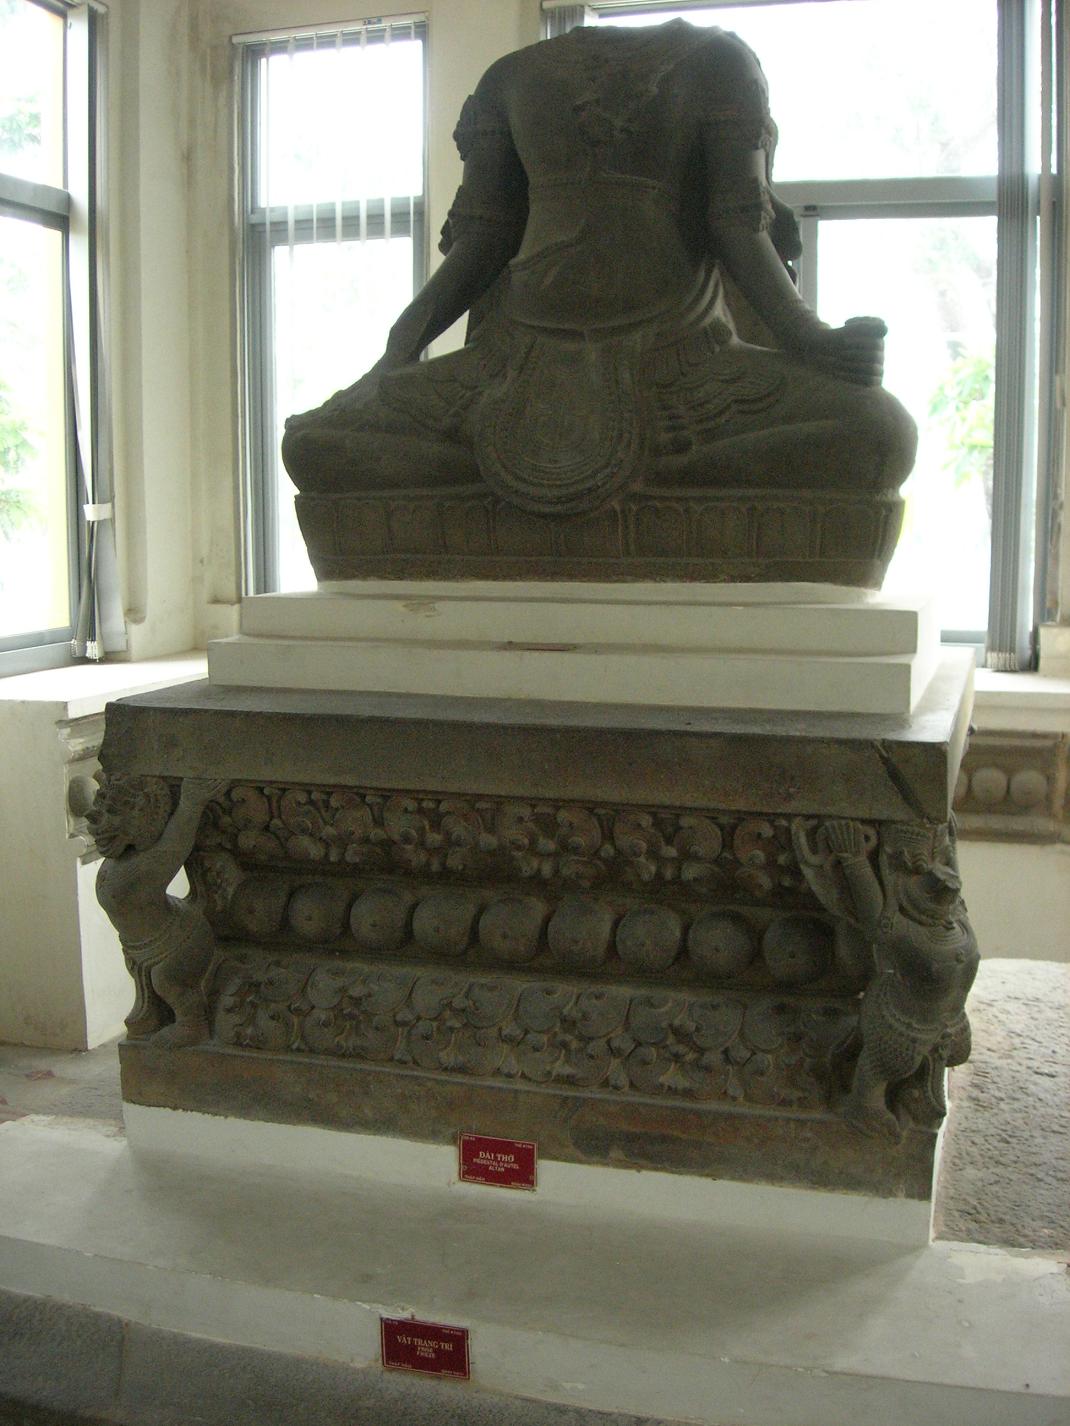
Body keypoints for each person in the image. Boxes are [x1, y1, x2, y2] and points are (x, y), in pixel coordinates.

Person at [282, 20, 916, 522]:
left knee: (879, 432)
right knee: (311, 448)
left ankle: (631, 481)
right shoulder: (508, 78)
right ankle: (668, 489)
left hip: (682, 362)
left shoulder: (718, 61)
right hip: (514, 367)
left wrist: (812, 339)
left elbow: (738, 224)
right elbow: (483, 239)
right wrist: (398, 348)